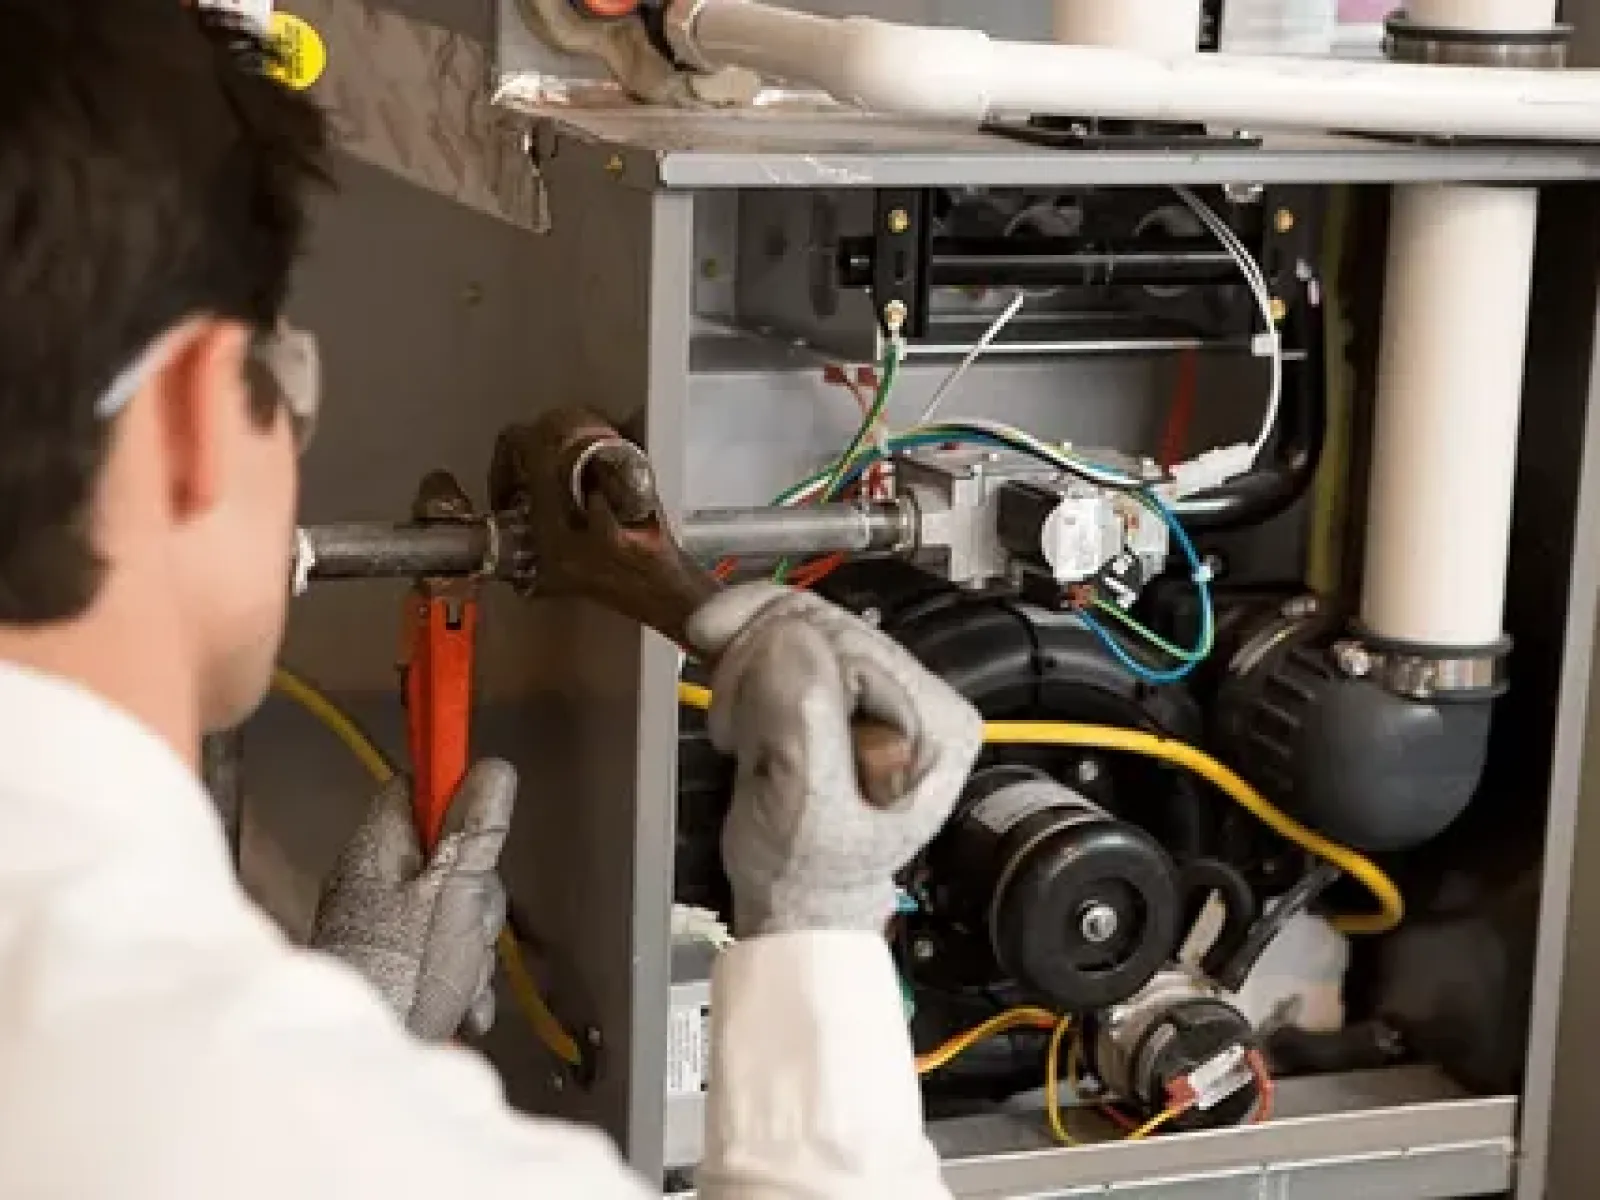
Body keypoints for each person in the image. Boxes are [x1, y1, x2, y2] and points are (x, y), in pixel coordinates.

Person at [0, 3, 984, 1197]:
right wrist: (819, 934)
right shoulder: (264, 1120)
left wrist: (355, 1031)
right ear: (196, 420)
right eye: (288, 384)